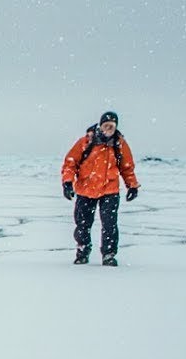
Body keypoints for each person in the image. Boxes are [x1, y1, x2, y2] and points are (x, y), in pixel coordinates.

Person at [60, 111, 139, 267]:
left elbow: (127, 168)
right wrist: (67, 183)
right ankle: (82, 251)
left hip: (109, 191)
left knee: (109, 224)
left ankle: (109, 254)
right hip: (85, 190)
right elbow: (70, 163)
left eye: (112, 126)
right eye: (106, 126)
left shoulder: (119, 144)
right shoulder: (86, 141)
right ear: (100, 125)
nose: (108, 129)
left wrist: (132, 186)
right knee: (82, 224)